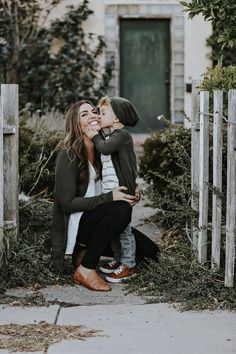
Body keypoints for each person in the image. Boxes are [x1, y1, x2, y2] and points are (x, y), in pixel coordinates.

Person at [51, 100, 136, 292]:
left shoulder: (104, 150)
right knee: (120, 209)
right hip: (80, 222)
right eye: (84, 114)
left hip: (101, 217)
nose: (93, 115)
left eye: (95, 111)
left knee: (149, 251)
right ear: (76, 124)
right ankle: (86, 267)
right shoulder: (68, 155)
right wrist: (110, 198)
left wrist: (132, 193)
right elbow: (66, 204)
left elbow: (123, 174)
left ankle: (99, 253)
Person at [84, 96, 140, 283]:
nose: (99, 116)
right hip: (110, 192)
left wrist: (94, 135)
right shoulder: (111, 135)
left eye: (103, 113)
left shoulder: (121, 136)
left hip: (122, 192)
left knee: (123, 231)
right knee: (114, 230)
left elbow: (105, 149)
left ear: (116, 118)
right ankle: (119, 261)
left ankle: (129, 264)